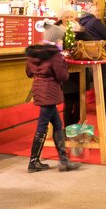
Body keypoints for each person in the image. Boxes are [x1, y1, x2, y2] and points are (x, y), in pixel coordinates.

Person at [24, 43, 80, 172]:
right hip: (50, 91)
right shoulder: (54, 56)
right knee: (42, 126)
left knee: (57, 124)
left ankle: (64, 160)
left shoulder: (32, 54)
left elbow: (28, 73)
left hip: (39, 89)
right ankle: (34, 161)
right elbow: (62, 76)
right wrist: (64, 65)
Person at [64, 3, 106, 126]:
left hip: (79, 70)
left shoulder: (80, 27)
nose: (70, 19)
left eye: (71, 16)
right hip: (66, 71)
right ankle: (68, 127)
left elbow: (88, 39)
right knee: (69, 100)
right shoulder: (59, 30)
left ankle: (73, 125)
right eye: (67, 16)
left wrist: (80, 31)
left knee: (78, 99)